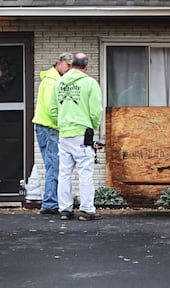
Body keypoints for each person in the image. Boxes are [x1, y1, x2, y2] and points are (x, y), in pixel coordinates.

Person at [49, 52, 103, 221]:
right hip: (82, 133)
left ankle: (65, 208)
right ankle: (87, 209)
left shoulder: (59, 83)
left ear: (71, 65)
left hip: (64, 134)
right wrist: (92, 126)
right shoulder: (90, 83)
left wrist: (62, 124)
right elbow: (96, 111)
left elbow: (52, 110)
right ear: (86, 67)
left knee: (64, 173)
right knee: (85, 172)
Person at [32, 52, 73, 215]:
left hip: (45, 127)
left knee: (53, 165)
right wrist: (63, 125)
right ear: (60, 63)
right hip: (49, 127)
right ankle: (50, 203)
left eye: (72, 66)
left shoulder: (52, 79)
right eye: (68, 65)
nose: (70, 69)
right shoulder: (52, 82)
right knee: (54, 166)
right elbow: (53, 108)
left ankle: (51, 201)